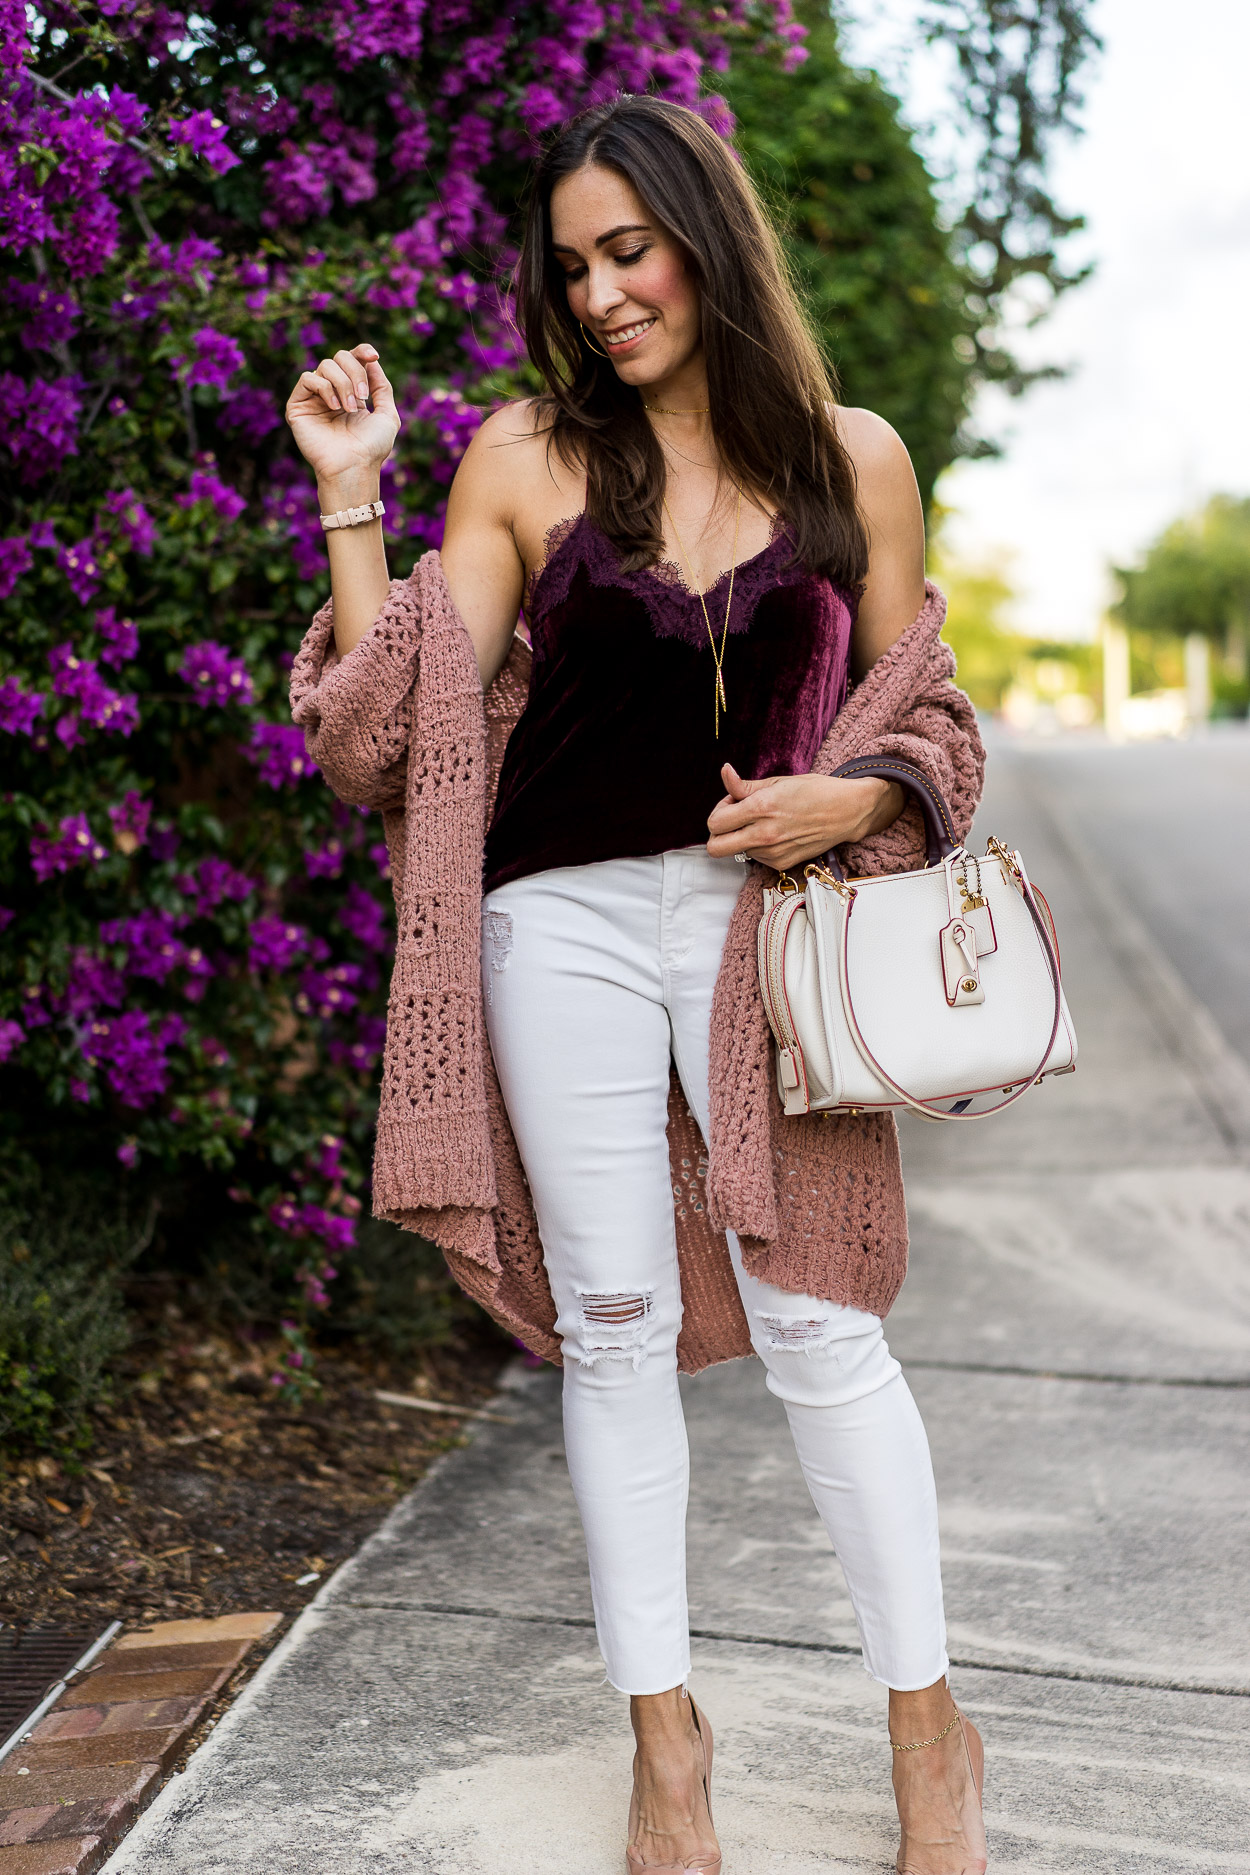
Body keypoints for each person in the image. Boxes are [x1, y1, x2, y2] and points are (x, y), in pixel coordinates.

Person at [286, 94, 987, 1875]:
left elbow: (931, 723)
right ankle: (664, 1750)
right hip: (557, 928)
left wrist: (865, 793)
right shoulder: (521, 461)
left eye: (630, 249)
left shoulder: (855, 459)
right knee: (609, 1330)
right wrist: (352, 497)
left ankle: (930, 1737)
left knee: (826, 1325)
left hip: (775, 930)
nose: (600, 294)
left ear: (706, 234)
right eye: (572, 264)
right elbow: (383, 737)